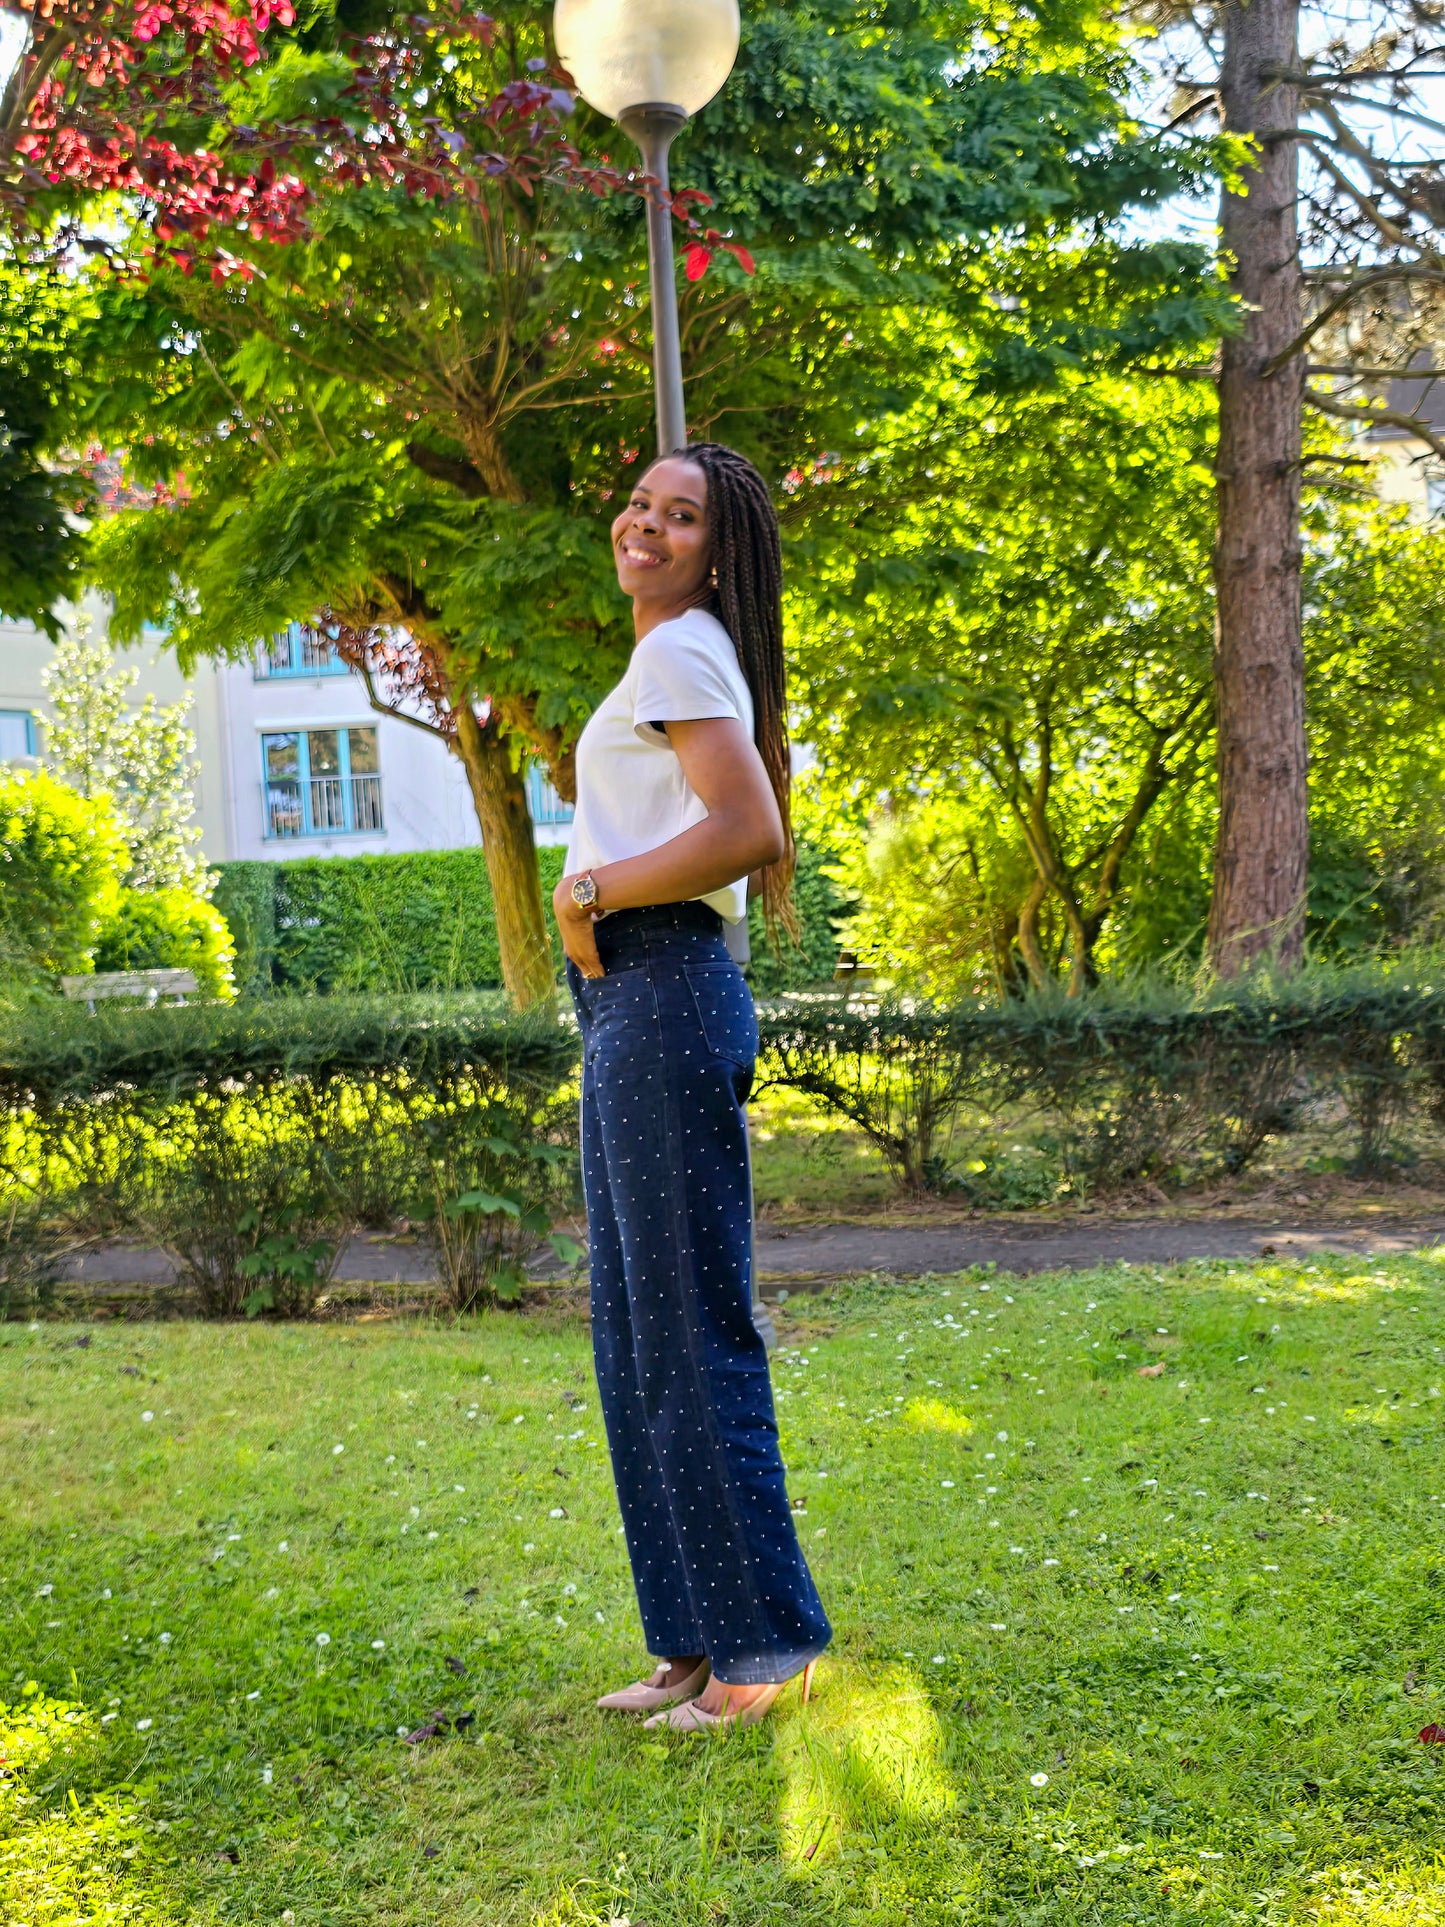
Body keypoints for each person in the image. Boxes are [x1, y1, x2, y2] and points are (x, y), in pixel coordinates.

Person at [552, 441, 832, 1734]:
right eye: (640, 504)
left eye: (680, 517)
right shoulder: (671, 653)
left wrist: (594, 890)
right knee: (635, 1336)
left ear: (716, 552)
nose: (646, 527)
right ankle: (690, 1640)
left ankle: (762, 1651)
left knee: (686, 1331)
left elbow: (748, 829)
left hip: (659, 990)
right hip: (635, 1001)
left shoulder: (680, 651)